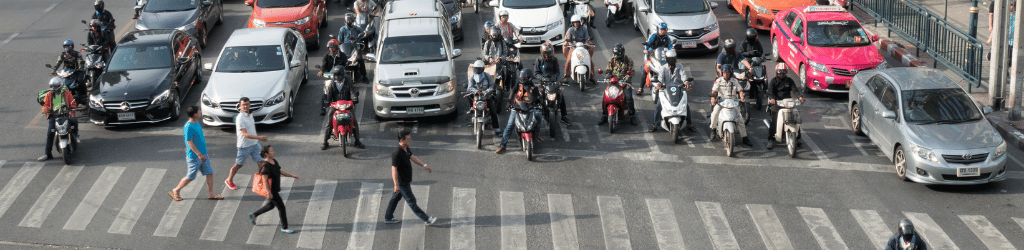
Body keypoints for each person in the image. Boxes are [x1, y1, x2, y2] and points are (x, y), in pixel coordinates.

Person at [169, 106, 223, 201]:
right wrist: (198, 154)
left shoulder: (196, 123)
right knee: (190, 177)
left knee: (209, 173)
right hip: (195, 157)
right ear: (194, 114)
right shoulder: (188, 126)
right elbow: (189, 141)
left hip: (203, 154)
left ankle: (211, 194)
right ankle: (176, 190)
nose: (200, 112)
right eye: (198, 112)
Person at [383, 130, 437, 225]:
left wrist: (424, 165)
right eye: (408, 139)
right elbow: (394, 170)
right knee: (412, 202)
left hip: (405, 181)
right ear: (401, 140)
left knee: (395, 198)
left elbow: (413, 157)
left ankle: (388, 217)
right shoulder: (397, 153)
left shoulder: (406, 148)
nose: (410, 140)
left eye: (410, 138)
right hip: (402, 182)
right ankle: (427, 219)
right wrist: (396, 185)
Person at [248, 145, 300, 234]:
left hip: (275, 189)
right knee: (281, 208)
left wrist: (292, 175)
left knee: (271, 205)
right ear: (267, 154)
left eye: (273, 150)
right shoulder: (265, 166)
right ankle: (285, 227)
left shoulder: (274, 161)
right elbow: (264, 180)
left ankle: (254, 214)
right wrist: (268, 192)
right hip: (272, 191)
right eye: (271, 151)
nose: (273, 152)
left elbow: (280, 171)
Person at [495, 70, 545, 154]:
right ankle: (503, 145)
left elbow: (534, 99)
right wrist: (508, 101)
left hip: (529, 109)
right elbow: (513, 92)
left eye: (524, 78)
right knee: (510, 125)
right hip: (517, 108)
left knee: (539, 116)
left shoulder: (533, 88)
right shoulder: (518, 83)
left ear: (529, 78)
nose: (523, 80)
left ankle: (537, 134)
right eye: (522, 78)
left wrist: (528, 91)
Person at [225, 97, 269, 190]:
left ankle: (262, 181)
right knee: (238, 165)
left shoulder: (250, 114)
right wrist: (259, 137)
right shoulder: (240, 118)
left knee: (261, 163)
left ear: (249, 105)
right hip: (244, 146)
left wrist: (256, 139)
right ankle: (229, 180)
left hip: (255, 144)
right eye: (243, 105)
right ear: (240, 106)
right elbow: (245, 134)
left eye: (247, 104)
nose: (246, 106)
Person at [648, 50, 696, 132]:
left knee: (685, 105)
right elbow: (660, 79)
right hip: (666, 90)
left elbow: (684, 75)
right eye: (670, 59)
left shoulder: (679, 67)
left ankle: (689, 124)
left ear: (675, 59)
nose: (671, 61)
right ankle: (655, 124)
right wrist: (659, 84)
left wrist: (686, 82)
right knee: (659, 105)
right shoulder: (663, 68)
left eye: (673, 59)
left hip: (679, 89)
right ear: (667, 59)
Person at [321, 66, 366, 150]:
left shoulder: (348, 82)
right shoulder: (332, 84)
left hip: (347, 105)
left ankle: (357, 141)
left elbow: (352, 92)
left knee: (354, 122)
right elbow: (329, 94)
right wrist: (327, 101)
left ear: (342, 75)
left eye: (338, 75)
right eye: (335, 75)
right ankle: (325, 141)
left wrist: (355, 98)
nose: (337, 77)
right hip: (336, 106)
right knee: (329, 122)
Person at [38, 77, 80, 162]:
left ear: (60, 86)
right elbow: (45, 105)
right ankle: (47, 153)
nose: (53, 88)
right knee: (50, 132)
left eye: (55, 86)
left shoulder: (67, 93)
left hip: (66, 114)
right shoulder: (49, 95)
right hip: (54, 115)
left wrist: (72, 111)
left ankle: (75, 136)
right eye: (52, 86)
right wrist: (45, 111)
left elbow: (72, 103)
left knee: (74, 121)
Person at [709, 65, 752, 146]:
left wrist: (742, 97)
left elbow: (740, 91)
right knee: (714, 114)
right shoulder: (718, 81)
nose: (726, 74)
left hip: (733, 102)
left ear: (730, 73)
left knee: (740, 120)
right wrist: (713, 98)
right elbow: (714, 91)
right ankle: (713, 130)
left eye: (727, 73)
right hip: (721, 101)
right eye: (724, 72)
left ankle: (745, 137)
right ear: (722, 73)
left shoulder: (735, 81)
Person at [765, 64, 804, 149]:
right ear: (777, 73)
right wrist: (772, 99)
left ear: (786, 73)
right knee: (774, 118)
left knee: (795, 117)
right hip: (777, 103)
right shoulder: (773, 81)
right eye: (780, 73)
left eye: (783, 73)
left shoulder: (789, 80)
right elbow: (770, 92)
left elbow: (795, 90)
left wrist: (800, 97)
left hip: (788, 102)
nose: (782, 75)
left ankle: (798, 137)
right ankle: (770, 139)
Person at [534, 42, 571, 126]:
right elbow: (536, 73)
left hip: (553, 82)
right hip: (543, 82)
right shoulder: (538, 60)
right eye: (547, 53)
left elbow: (557, 71)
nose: (549, 54)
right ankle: (534, 115)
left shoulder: (555, 60)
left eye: (550, 52)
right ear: (542, 53)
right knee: (537, 96)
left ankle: (564, 116)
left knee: (560, 95)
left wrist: (554, 77)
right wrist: (542, 78)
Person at [601, 43, 637, 126]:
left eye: (618, 54)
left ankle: (632, 116)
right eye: (615, 53)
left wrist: (625, 81)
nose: (616, 55)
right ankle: (604, 115)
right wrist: (609, 79)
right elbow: (608, 71)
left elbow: (631, 72)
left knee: (629, 98)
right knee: (605, 97)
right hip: (613, 82)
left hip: (625, 82)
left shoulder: (628, 60)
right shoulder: (612, 60)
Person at [468, 60, 502, 135]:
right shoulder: (472, 77)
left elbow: (492, 85)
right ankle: (471, 109)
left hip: (486, 96)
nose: (478, 70)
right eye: (477, 68)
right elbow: (469, 87)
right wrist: (475, 91)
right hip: (476, 96)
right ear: (474, 69)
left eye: (480, 68)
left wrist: (487, 91)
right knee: (468, 98)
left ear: (483, 69)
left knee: (493, 111)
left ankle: (497, 129)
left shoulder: (487, 76)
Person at [639, 22, 673, 95]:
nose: (663, 31)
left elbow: (670, 45)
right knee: (646, 69)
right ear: (658, 29)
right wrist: (646, 49)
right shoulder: (654, 36)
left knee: (671, 68)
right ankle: (641, 88)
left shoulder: (667, 38)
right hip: (653, 56)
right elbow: (648, 43)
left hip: (663, 57)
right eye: (661, 29)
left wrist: (673, 49)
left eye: (665, 29)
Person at [336, 14, 368, 83]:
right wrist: (339, 43)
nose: (349, 22)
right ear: (345, 21)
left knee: (360, 60)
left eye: (350, 20)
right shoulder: (342, 29)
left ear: (352, 21)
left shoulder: (357, 28)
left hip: (355, 47)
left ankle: (364, 76)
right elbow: (340, 40)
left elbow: (362, 33)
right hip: (345, 48)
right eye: (347, 20)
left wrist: (357, 38)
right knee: (338, 60)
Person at [563, 15, 595, 81]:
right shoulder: (570, 30)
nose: (576, 24)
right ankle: (566, 77)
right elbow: (568, 39)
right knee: (568, 61)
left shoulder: (584, 28)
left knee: (590, 61)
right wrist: (571, 45)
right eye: (574, 22)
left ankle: (592, 76)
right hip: (573, 48)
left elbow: (586, 38)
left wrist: (585, 44)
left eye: (577, 22)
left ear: (580, 22)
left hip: (583, 47)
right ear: (572, 23)